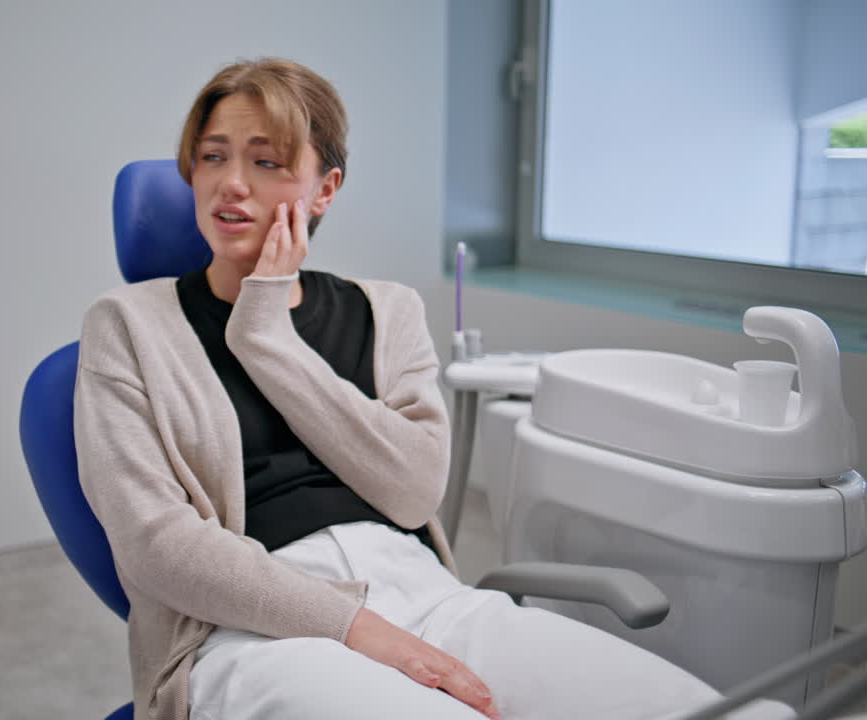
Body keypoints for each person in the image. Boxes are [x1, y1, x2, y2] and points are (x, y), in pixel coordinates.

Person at [75, 59, 790, 720]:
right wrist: (353, 625)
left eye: (266, 161)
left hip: (426, 593)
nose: (231, 183)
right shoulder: (128, 325)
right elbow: (156, 546)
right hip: (247, 629)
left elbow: (414, 493)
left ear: (325, 188)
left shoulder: (387, 312)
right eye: (212, 157)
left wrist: (267, 335)